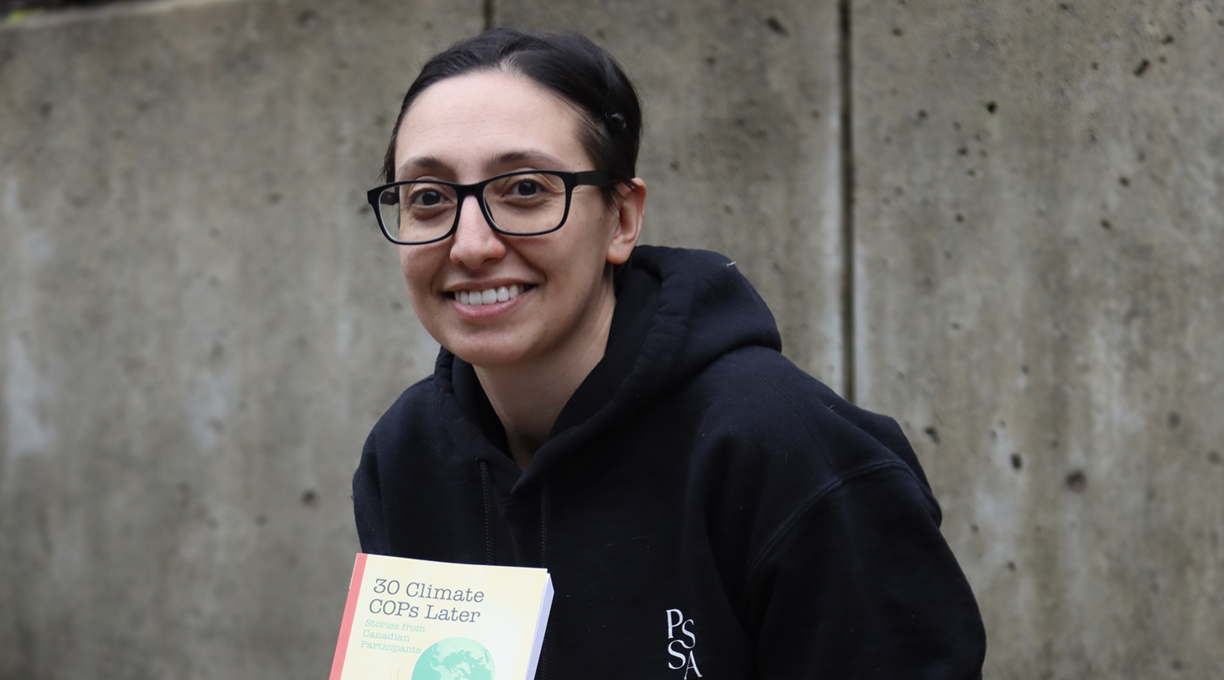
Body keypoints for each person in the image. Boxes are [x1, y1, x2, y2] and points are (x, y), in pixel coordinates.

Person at [352, 27, 986, 679]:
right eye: (428, 199)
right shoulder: (406, 455)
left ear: (622, 219)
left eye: (525, 190)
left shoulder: (784, 451)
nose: (472, 245)